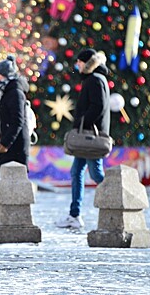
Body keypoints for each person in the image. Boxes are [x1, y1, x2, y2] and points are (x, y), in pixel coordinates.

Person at [56, 49, 110, 229]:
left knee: (96, 174)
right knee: (77, 172)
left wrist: (82, 122)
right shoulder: (95, 79)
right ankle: (74, 214)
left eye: (79, 62)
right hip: (87, 136)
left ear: (87, 63)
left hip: (89, 137)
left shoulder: (94, 80)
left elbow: (98, 106)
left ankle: (117, 197)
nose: (77, 65)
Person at [0, 55, 30, 221]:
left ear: (5, 76)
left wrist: (6, 143)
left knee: (5, 174)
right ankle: (0, 207)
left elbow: (18, 120)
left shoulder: (15, 92)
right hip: (9, 141)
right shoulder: (7, 91)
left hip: (15, 144)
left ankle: (5, 209)